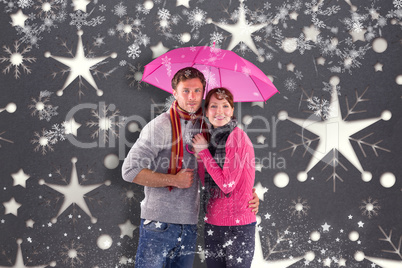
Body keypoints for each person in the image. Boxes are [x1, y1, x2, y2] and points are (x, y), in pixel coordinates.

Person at [121, 67, 259, 268]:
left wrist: (247, 195)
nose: (192, 97)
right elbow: (129, 170)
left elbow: (226, 170)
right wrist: (173, 180)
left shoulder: (207, 126)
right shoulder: (160, 126)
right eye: (185, 90)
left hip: (190, 226)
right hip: (159, 224)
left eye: (197, 91)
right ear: (174, 92)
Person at [192, 87, 256, 268]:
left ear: (232, 110)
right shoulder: (212, 139)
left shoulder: (237, 138)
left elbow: (227, 184)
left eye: (225, 106)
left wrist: (204, 153)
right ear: (206, 111)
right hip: (213, 223)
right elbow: (207, 181)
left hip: (238, 227)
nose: (219, 112)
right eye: (213, 106)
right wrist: (202, 157)